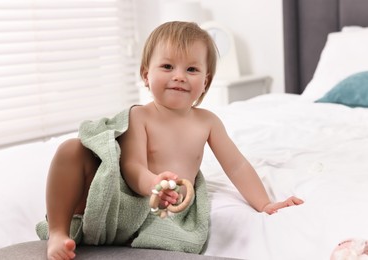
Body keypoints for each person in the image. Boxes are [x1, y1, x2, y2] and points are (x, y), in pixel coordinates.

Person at [42, 21, 304, 260]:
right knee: (71, 149)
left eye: (191, 69)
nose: (179, 76)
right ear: (146, 75)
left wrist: (265, 203)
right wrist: (152, 185)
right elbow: (131, 167)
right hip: (129, 194)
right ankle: (58, 231)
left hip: (169, 206)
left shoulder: (207, 122)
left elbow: (236, 166)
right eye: (167, 66)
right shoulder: (140, 116)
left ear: (205, 82)